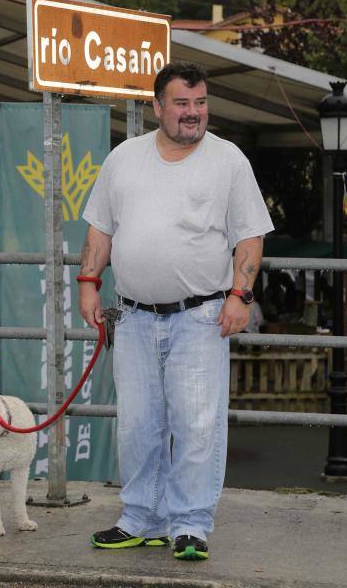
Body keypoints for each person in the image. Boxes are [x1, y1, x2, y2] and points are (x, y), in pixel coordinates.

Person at [78, 62, 273, 561]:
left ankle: (190, 526)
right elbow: (101, 229)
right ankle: (140, 518)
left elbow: (249, 235)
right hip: (134, 315)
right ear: (157, 106)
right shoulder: (123, 158)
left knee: (197, 425)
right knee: (138, 424)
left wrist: (240, 296)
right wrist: (87, 284)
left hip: (201, 315)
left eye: (201, 102)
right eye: (182, 103)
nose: (193, 114)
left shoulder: (228, 160)